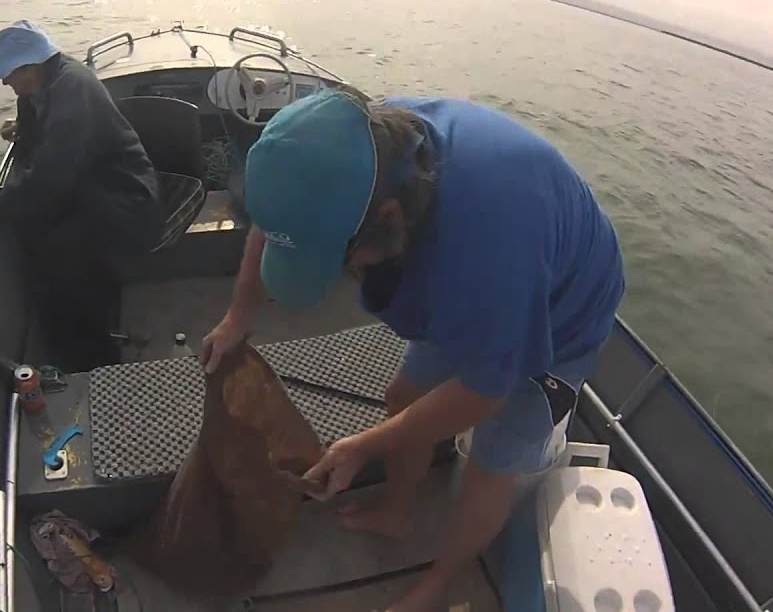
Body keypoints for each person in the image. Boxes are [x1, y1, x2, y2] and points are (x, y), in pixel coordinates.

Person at [198, 89, 625, 611]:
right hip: (481, 267)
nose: (342, 276)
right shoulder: (343, 154)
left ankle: (437, 584)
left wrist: (362, 446)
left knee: (494, 458)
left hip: (563, 310)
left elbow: (482, 393)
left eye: (342, 260)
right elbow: (277, 219)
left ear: (391, 219)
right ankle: (396, 511)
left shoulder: (488, 250)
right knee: (403, 396)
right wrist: (238, 316)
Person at [0, 20, 162, 368]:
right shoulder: (41, 87)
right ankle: (67, 330)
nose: (5, 83)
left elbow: (51, 177)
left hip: (128, 198)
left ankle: (96, 358)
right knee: (38, 236)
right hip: (92, 186)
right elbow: (44, 141)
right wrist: (21, 129)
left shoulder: (73, 86)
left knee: (64, 253)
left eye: (10, 74)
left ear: (30, 66)